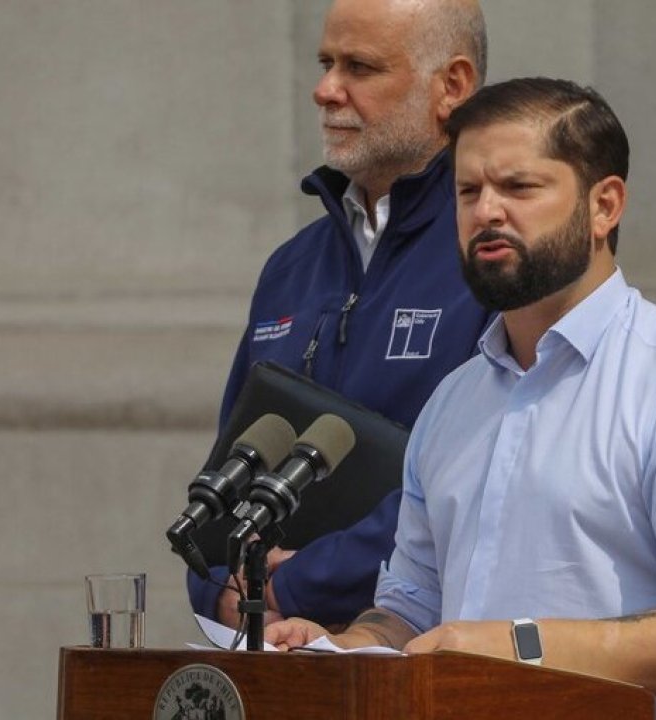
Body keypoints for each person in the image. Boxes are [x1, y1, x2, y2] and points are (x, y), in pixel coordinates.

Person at [265, 78, 656, 720]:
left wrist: (515, 646)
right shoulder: (453, 401)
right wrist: (342, 648)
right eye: (468, 192)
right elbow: (411, 609)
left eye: (518, 187)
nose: (486, 212)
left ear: (604, 206)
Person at [186, 0, 493, 629]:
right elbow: (230, 463)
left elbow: (479, 479)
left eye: (360, 67)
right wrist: (217, 584)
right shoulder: (292, 266)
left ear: (453, 86)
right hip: (272, 642)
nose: (325, 90)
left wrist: (296, 587)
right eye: (326, 63)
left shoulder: (491, 258)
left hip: (415, 645)